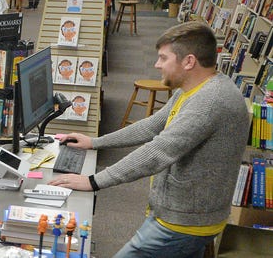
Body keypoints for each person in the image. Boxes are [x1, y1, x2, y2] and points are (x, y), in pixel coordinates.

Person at [49, 22, 249, 258]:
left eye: (163, 58)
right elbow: (153, 125)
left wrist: (93, 181)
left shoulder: (210, 102)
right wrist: (95, 142)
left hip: (184, 223)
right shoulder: (195, 88)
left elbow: (158, 152)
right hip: (183, 215)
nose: (157, 65)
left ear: (189, 61)